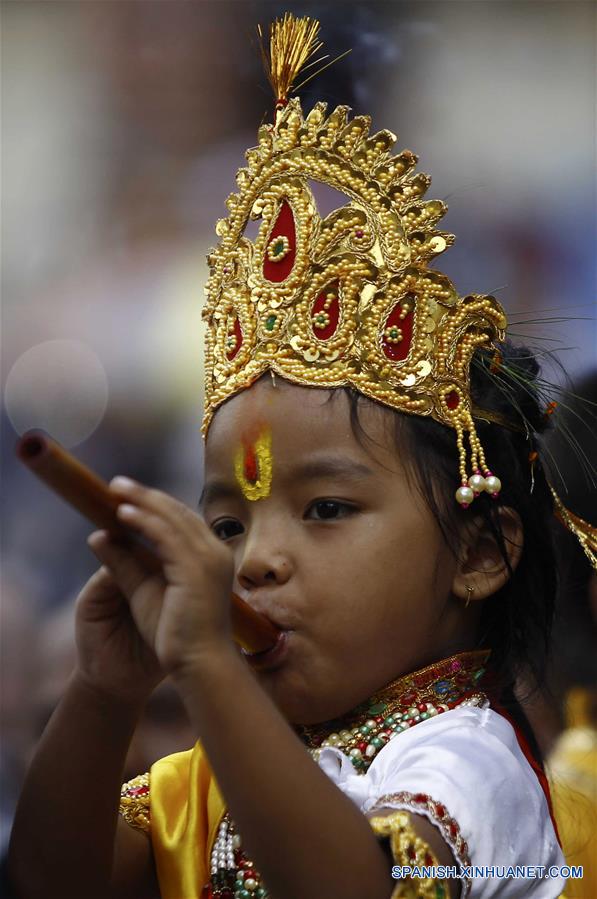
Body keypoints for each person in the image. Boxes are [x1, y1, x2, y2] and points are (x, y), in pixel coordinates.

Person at [8, 14, 595, 899]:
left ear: (477, 554)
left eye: (326, 509)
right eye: (224, 522)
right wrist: (103, 692)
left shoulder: (464, 756)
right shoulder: (217, 768)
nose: (254, 560)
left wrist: (207, 663)